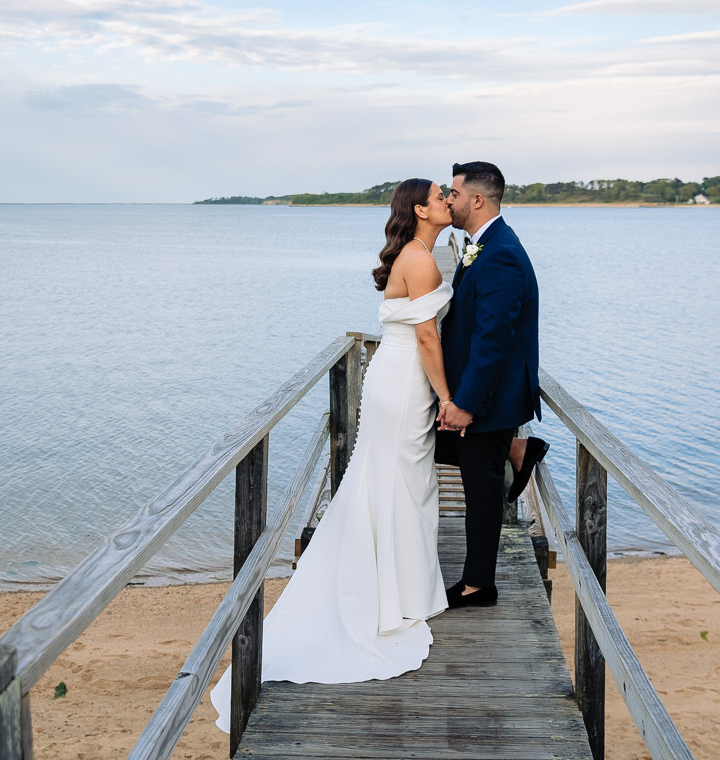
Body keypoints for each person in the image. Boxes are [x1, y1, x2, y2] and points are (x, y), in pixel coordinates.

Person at [210, 178, 454, 730]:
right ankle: (393, 589)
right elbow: (427, 339)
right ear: (419, 209)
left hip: (392, 377)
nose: (448, 200)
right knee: (401, 481)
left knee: (396, 480)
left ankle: (399, 583)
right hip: (406, 379)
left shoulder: (420, 255)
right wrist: (446, 396)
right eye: (441, 195)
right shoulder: (422, 261)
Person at [436, 161, 547, 609]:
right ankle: (519, 450)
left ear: (476, 199)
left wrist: (466, 403)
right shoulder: (485, 244)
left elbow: (493, 338)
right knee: (454, 460)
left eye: (454, 193)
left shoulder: (499, 252)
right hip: (488, 393)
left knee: (482, 494)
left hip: (491, 398)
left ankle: (479, 585)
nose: (449, 200)